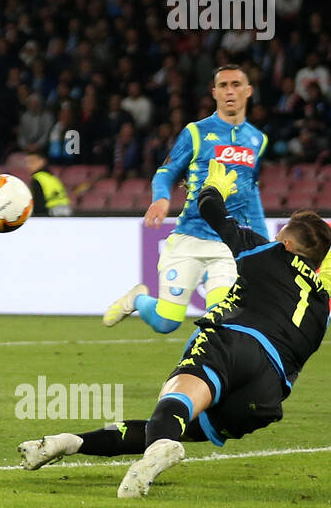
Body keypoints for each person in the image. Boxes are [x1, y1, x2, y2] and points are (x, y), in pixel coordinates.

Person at [19, 159, 331, 497]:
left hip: (236, 344)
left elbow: (212, 211)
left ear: (285, 245)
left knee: (177, 398)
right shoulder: (322, 307)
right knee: (168, 427)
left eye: (280, 236)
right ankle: (70, 443)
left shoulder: (269, 253)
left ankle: (159, 450)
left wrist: (214, 189)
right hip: (266, 395)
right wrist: (319, 287)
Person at [103, 64, 268, 333]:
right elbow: (166, 172)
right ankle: (137, 299)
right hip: (190, 236)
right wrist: (161, 199)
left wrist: (264, 247)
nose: (230, 91)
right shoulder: (196, 132)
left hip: (228, 243)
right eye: (223, 86)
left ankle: (200, 373)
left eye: (236, 85)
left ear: (248, 91)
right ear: (214, 93)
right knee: (166, 322)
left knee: (220, 321)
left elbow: (251, 193)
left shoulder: (257, 140)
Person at [25, 151, 71, 216]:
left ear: (42, 162)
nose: (28, 165)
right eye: (27, 162)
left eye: (32, 161)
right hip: (65, 210)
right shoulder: (52, 177)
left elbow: (38, 203)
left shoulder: (37, 178)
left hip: (50, 212)